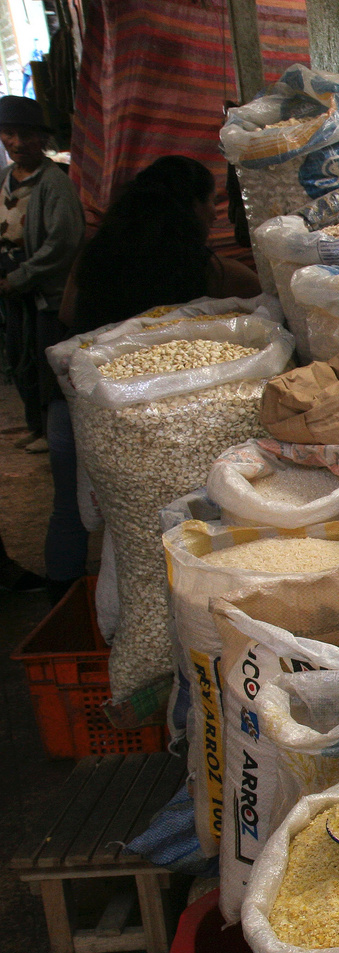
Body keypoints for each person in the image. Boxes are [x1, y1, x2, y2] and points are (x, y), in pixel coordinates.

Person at [0, 95, 83, 597]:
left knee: (46, 359)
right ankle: (39, 421)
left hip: (45, 297)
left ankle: (49, 422)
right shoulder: (9, 181)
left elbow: (63, 243)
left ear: (42, 139)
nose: (13, 142)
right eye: (6, 134)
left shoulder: (55, 185)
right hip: (16, 290)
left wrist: (24, 276)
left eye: (22, 134)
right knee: (23, 360)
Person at [61, 154, 259, 334]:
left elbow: (67, 314)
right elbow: (262, 297)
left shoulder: (92, 253)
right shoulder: (210, 271)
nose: (215, 214)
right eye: (211, 201)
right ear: (194, 206)